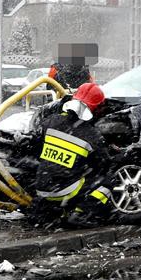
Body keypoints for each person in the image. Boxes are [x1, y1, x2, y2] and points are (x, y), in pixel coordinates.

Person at [31, 82, 114, 226]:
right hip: (64, 192)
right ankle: (82, 213)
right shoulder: (92, 135)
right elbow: (104, 164)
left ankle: (51, 210)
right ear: (96, 108)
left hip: (42, 188)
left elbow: (37, 146)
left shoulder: (51, 121)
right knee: (107, 182)